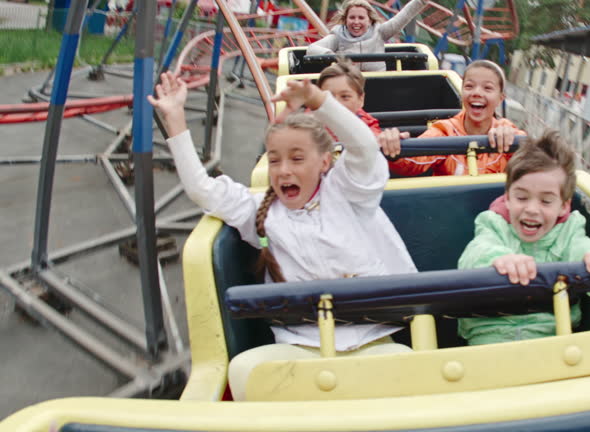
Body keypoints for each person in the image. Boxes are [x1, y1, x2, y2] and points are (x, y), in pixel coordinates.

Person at [147, 71, 416, 400]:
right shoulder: (260, 211)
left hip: (369, 336)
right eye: (274, 161)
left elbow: (363, 147)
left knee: (405, 369)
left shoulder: (348, 191)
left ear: (325, 162)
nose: (284, 170)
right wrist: (175, 118)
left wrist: (320, 101)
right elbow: (202, 190)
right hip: (301, 345)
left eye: (297, 159)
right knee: (245, 371)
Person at [455, 130, 590, 345]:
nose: (532, 209)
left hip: (554, 339)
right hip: (491, 337)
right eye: (522, 197)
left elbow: (583, 250)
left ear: (563, 206)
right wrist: (500, 259)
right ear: (507, 198)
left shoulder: (570, 231)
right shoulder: (493, 224)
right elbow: (475, 254)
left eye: (545, 201)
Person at [378, 60, 525, 176]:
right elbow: (414, 162)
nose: (477, 93)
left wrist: (513, 143)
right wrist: (395, 148)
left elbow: (533, 160)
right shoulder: (445, 130)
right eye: (469, 86)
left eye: (487, 88)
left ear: (500, 98)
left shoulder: (506, 130)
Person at [305, 0, 444, 71]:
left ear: (369, 20)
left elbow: (404, 16)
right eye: (352, 18)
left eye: (361, 18)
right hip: (349, 86)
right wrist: (336, 57)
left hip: (378, 85)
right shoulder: (338, 36)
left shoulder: (380, 32)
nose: (356, 22)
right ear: (346, 20)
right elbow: (312, 49)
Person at [316, 60, 381, 136]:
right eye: (329, 96)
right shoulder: (308, 124)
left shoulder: (368, 126)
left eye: (345, 96)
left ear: (361, 99)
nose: (336, 103)